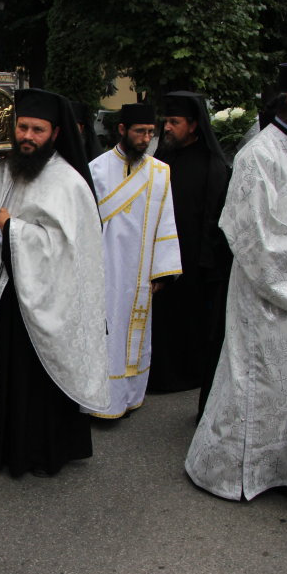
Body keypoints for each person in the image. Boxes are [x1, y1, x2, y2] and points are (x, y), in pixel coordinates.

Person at [185, 61, 287, 512]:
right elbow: (251, 233)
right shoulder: (257, 155)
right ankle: (241, 470)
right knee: (262, 383)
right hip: (268, 294)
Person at [0, 88, 110, 478]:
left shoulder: (68, 184)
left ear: (55, 133)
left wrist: (13, 230)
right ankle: (1, 442)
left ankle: (36, 451)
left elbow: (66, 251)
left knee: (33, 381)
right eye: (22, 127)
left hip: (44, 303)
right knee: (7, 374)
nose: (27, 136)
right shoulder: (3, 171)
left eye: (37, 129)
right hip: (3, 295)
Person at [86, 103, 182, 419]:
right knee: (103, 335)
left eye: (150, 133)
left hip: (138, 273)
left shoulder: (159, 172)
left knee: (131, 336)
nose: (145, 139)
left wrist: (161, 273)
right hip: (104, 269)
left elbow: (166, 222)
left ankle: (126, 397)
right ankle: (98, 400)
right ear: (122, 130)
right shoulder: (95, 170)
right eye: (140, 132)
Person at [149, 92, 232, 411]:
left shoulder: (214, 167)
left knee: (187, 325)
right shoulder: (161, 162)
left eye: (174, 122)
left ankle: (186, 375)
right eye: (165, 121)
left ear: (194, 125)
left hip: (195, 264)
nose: (166, 128)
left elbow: (217, 220)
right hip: (160, 261)